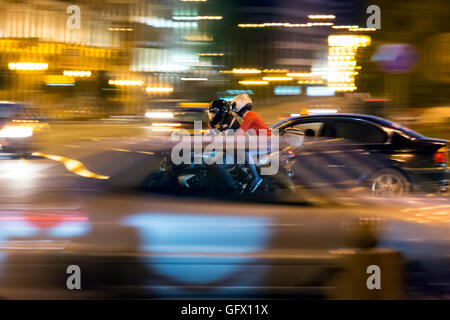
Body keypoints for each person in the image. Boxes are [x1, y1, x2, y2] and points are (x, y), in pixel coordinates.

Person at [230, 94, 271, 193]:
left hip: (266, 142)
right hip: (263, 141)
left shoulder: (250, 116)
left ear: (239, 105)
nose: (234, 109)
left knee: (245, 152)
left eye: (234, 106)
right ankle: (247, 173)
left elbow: (240, 133)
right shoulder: (250, 115)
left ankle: (255, 177)